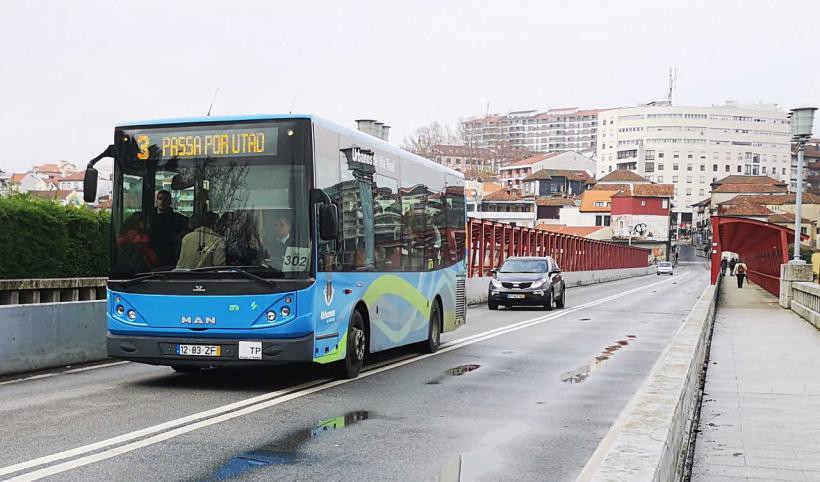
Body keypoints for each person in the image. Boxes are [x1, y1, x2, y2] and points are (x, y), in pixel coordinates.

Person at [150, 190, 188, 267]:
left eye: (165, 200)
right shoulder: (148, 219)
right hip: (151, 259)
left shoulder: (177, 219)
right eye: (160, 199)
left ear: (170, 202)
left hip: (170, 258)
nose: (162, 202)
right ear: (156, 201)